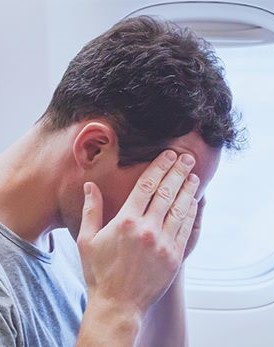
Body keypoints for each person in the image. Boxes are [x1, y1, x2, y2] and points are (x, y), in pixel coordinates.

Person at [0, 15, 240, 346]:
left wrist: (170, 263)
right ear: (93, 148)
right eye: (160, 193)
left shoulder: (81, 241)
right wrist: (115, 307)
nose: (162, 218)